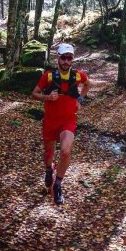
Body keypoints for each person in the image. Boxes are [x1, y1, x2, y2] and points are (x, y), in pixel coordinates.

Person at [31, 43, 91, 205]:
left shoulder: (78, 75)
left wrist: (80, 99)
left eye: (69, 58)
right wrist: (47, 98)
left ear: (72, 60)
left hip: (68, 120)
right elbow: (34, 93)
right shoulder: (49, 76)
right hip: (50, 121)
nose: (65, 61)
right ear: (57, 57)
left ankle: (58, 185)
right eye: (63, 57)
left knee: (65, 152)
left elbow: (88, 84)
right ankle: (48, 169)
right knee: (49, 154)